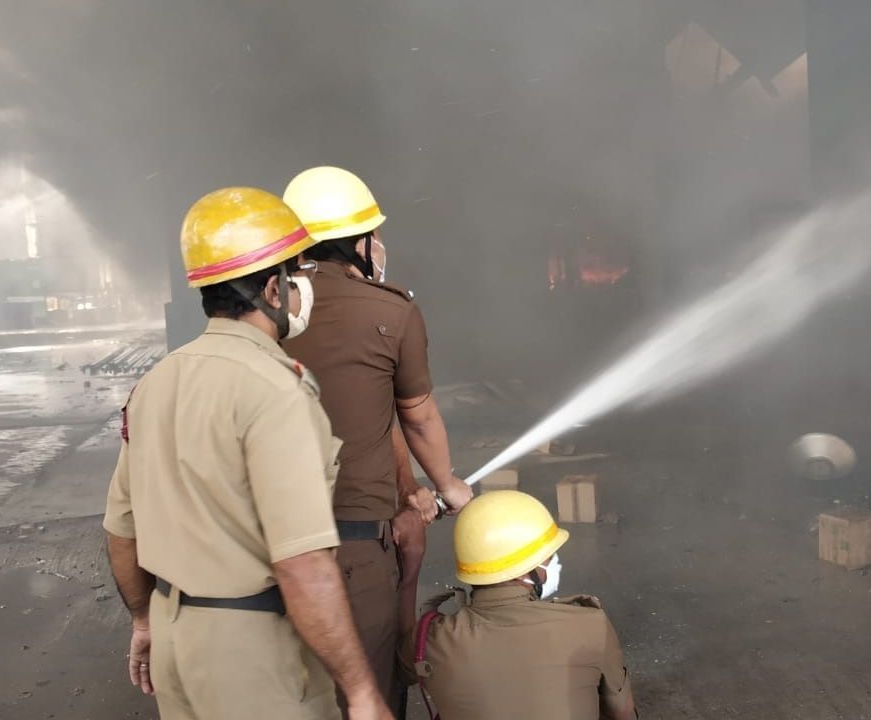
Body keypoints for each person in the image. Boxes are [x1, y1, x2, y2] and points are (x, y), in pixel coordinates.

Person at [103, 187, 392, 720]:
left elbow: (122, 530)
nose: (305, 285)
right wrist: (362, 690)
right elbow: (303, 563)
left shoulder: (155, 382)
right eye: (296, 273)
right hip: (255, 659)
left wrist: (145, 622)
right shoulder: (276, 390)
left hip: (175, 647)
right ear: (273, 290)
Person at [280, 166, 474, 717]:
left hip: (262, 547)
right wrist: (446, 484)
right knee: (369, 691)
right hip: (353, 548)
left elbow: (376, 416)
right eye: (375, 234)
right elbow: (415, 416)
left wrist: (408, 487)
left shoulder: (268, 312)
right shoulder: (391, 310)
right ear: (360, 243)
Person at [408, 490, 639, 720]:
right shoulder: (589, 624)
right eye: (548, 557)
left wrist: (409, 567)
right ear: (527, 570)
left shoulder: (430, 637)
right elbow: (622, 712)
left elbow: (388, 670)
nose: (555, 562)